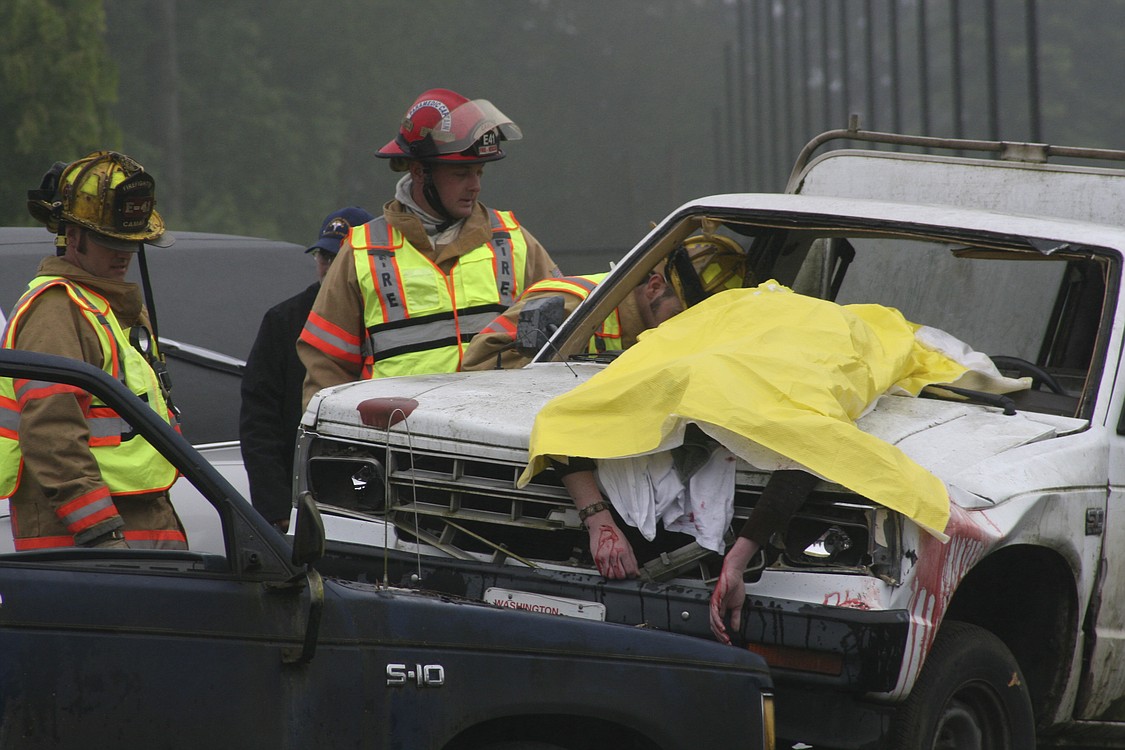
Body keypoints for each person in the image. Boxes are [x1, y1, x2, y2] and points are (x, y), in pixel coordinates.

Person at [518, 280, 1029, 644]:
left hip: (826, 336)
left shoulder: (806, 377)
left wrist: (735, 561)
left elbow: (810, 448)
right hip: (738, 321)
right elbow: (566, 419)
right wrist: (599, 520)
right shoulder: (667, 363)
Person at [297, 88, 562, 407]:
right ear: (420, 171)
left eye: (479, 172)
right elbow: (326, 369)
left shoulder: (513, 240)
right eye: (461, 173)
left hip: (497, 442)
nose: (475, 185)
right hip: (399, 447)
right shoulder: (360, 252)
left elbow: (564, 336)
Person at [0, 151, 186, 550]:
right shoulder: (57, 311)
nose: (123, 253)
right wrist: (100, 532)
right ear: (72, 235)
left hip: (140, 525)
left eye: (131, 242)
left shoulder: (116, 308)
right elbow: (53, 432)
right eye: (109, 239)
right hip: (86, 541)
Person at [239, 206, 374, 532]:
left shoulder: (387, 322)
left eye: (340, 260)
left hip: (369, 497)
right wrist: (277, 509)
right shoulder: (283, 321)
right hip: (301, 502)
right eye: (324, 258)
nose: (329, 269)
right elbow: (260, 422)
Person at [461, 233, 749, 370]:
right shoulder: (571, 305)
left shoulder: (659, 335)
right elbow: (480, 371)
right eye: (682, 315)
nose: (689, 331)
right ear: (654, 287)